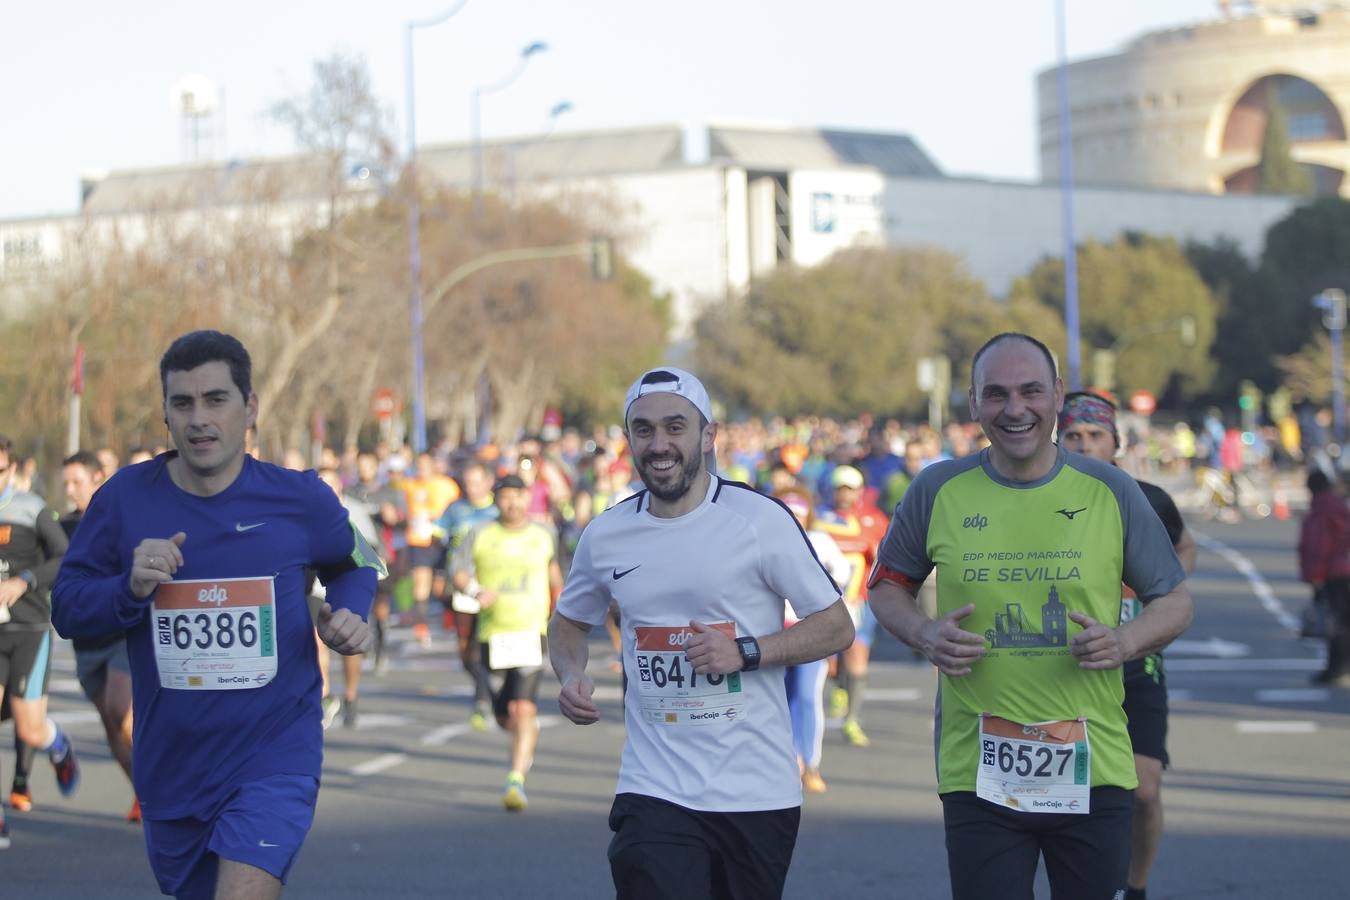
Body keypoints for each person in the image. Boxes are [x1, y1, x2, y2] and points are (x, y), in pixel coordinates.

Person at [52, 330, 381, 899]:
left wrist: (351, 613)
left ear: (249, 408)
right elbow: (67, 609)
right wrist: (129, 590)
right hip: (173, 765)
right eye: (183, 403)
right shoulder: (125, 500)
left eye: (216, 400)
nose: (199, 419)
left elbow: (355, 563)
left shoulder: (298, 499)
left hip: (273, 755)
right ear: (166, 414)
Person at [866, 333, 1193, 900]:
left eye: (1031, 391)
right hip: (978, 773)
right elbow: (887, 587)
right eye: (996, 394)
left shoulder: (1110, 489)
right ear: (973, 403)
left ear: (1057, 396)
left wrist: (1125, 640)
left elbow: (1176, 599)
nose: (1014, 409)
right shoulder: (938, 488)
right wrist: (923, 632)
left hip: (1094, 770)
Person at [549, 366, 854, 899]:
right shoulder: (607, 533)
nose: (659, 444)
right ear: (628, 441)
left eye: (675, 427)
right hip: (654, 786)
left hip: (754, 792)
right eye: (643, 430)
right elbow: (569, 622)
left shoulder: (758, 520)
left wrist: (747, 652)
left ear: (707, 436)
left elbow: (835, 627)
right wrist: (571, 672)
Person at [1058, 391, 1198, 900]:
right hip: (1063, 669)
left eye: (1096, 436)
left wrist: (1161, 590)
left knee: (1144, 791)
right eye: (1074, 435)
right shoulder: (1038, 498)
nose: (1085, 444)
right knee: (1067, 795)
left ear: (1116, 442)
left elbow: (1183, 543)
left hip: (1138, 664)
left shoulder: (1149, 499)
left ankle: (1134, 888)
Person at [451, 474, 561, 810]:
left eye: (517, 496)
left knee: (523, 708)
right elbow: (457, 573)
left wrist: (566, 614)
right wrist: (474, 591)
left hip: (531, 631)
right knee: (504, 716)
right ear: (495, 499)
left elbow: (554, 574)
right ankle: (522, 736)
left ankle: (516, 779)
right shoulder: (480, 533)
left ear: (528, 498)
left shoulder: (544, 533)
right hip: (493, 634)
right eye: (505, 497)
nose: (511, 503)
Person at [0, 435, 77, 850]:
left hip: (28, 630)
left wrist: (23, 581)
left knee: (29, 729)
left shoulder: (31, 510)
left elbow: (64, 556)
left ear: (11, 470)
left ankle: (58, 744)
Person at [59, 450, 142, 822]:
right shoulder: (62, 526)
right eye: (66, 483)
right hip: (85, 643)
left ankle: (165, 793)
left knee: (120, 711)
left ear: (98, 478)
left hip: (120, 635)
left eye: (77, 482)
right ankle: (143, 794)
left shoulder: (118, 517)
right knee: (112, 728)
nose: (70, 490)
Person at [775, 486, 851, 794]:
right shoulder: (765, 539)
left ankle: (811, 763)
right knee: (777, 698)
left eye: (799, 511)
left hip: (811, 632)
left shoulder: (820, 541)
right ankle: (787, 760)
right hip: (774, 633)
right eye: (788, 511)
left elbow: (843, 573)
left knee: (807, 696)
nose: (794, 517)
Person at [815, 464, 887, 747]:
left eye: (850, 489)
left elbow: (885, 557)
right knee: (830, 663)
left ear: (859, 491)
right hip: (823, 603)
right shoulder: (818, 518)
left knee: (858, 656)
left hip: (859, 600)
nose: (844, 494)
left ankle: (852, 720)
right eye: (839, 488)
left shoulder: (872, 519)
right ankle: (839, 686)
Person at [438, 461, 501, 730]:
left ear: (488, 483)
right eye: (467, 483)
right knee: (465, 649)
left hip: (491, 586)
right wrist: (439, 575)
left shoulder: (498, 510)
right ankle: (483, 686)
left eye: (477, 483)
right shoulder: (455, 509)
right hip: (462, 585)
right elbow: (441, 542)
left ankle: (484, 698)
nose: (471, 488)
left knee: (485, 645)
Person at [347, 451, 405, 673]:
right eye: (360, 465)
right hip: (354, 556)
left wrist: (395, 517)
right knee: (361, 603)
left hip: (382, 555)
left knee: (381, 606)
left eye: (368, 465)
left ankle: (381, 646)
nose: (364, 470)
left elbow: (403, 522)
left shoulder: (388, 493)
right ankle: (366, 643)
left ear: (376, 467)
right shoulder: (349, 493)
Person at [401, 452, 459, 648]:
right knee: (421, 584)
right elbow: (402, 509)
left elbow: (456, 509)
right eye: (419, 465)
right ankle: (421, 627)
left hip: (440, 542)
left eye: (426, 465)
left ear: (434, 466)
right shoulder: (409, 485)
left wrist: (437, 517)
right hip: (419, 541)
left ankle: (450, 617)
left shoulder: (446, 485)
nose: (422, 469)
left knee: (439, 588)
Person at [1298, 468, 1350, 688]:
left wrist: (1316, 576)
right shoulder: (1337, 505)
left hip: (1334, 573)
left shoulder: (1321, 509)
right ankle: (1338, 667)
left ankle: (1336, 668)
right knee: (1342, 622)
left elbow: (1319, 546)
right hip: (1343, 569)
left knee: (1335, 624)